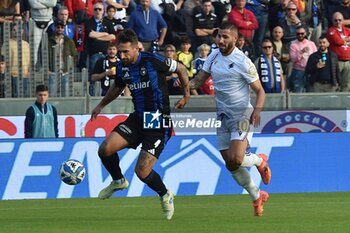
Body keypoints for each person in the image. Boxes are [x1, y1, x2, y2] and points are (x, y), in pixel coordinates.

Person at [90, 29, 190, 220]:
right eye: (120, 51)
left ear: (137, 48)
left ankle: (165, 194)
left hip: (158, 121)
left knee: (142, 171)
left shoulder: (153, 60)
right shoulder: (122, 67)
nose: (122, 55)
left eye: (126, 52)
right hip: (138, 119)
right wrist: (101, 105)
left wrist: (186, 95)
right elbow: (117, 86)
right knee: (105, 149)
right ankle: (118, 180)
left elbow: (181, 69)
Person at [189, 22, 271, 217]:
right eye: (219, 36)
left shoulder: (243, 61)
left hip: (242, 113)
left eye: (226, 37)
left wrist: (257, 111)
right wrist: (184, 84)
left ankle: (260, 161)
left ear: (235, 39)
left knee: (237, 157)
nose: (221, 40)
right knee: (231, 164)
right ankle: (257, 196)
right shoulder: (213, 56)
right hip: (222, 115)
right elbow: (199, 80)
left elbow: (260, 91)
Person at [289, 26, 317, 92]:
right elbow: (293, 59)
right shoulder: (293, 44)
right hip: (298, 71)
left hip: (310, 71)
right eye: (298, 34)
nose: (300, 35)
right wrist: (301, 52)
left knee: (310, 91)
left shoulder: (311, 44)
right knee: (298, 91)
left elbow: (316, 56)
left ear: (305, 33)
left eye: (302, 33)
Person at [327, 12, 350, 92]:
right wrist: (347, 40)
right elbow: (337, 41)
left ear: (343, 20)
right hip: (336, 61)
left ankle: (343, 102)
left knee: (346, 83)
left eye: (340, 20)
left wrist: (342, 40)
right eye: (335, 20)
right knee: (335, 83)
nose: (338, 22)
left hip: (347, 61)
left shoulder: (347, 30)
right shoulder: (331, 30)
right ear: (332, 21)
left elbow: (340, 41)